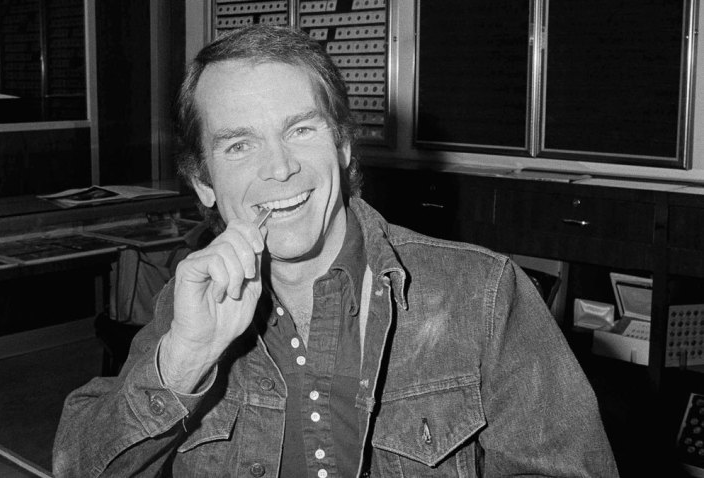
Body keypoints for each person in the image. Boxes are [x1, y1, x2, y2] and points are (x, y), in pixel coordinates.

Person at [53, 25, 618, 477]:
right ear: (203, 183)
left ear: (343, 146)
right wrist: (184, 360)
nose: (280, 168)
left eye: (301, 130)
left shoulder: (485, 295)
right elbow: (80, 465)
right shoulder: (191, 304)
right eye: (239, 145)